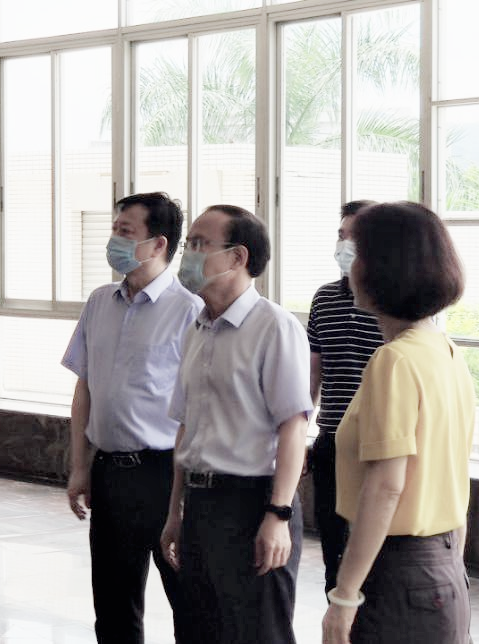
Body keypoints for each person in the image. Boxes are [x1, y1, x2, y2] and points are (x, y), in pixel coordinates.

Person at [321, 201, 475, 644]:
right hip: (440, 563)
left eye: (358, 253)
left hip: (399, 570)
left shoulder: (395, 360)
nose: (349, 265)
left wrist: (345, 596)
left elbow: (386, 485)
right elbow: (453, 475)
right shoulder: (444, 349)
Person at [159, 205, 311, 644]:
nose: (189, 254)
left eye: (200, 244)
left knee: (258, 632)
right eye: (189, 244)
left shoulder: (274, 327)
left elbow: (293, 426)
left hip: (252, 502)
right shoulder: (197, 328)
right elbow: (186, 427)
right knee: (199, 630)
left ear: (238, 256)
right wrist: (175, 511)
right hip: (201, 503)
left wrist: (278, 514)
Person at [61, 192, 202, 643]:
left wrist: (184, 492)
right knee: (113, 605)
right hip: (110, 472)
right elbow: (84, 388)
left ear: (158, 244)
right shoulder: (100, 302)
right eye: (114, 230)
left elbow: (200, 405)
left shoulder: (190, 310)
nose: (114, 240)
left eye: (125, 232)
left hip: (166, 473)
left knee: (189, 599)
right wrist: (80, 466)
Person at [307, 199, 384, 595]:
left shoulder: (393, 304)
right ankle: (335, 607)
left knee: (378, 543)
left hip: (378, 443)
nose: (344, 244)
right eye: (341, 235)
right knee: (332, 540)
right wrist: (302, 434)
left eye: (354, 236)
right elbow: (313, 374)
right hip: (332, 440)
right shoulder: (324, 299)